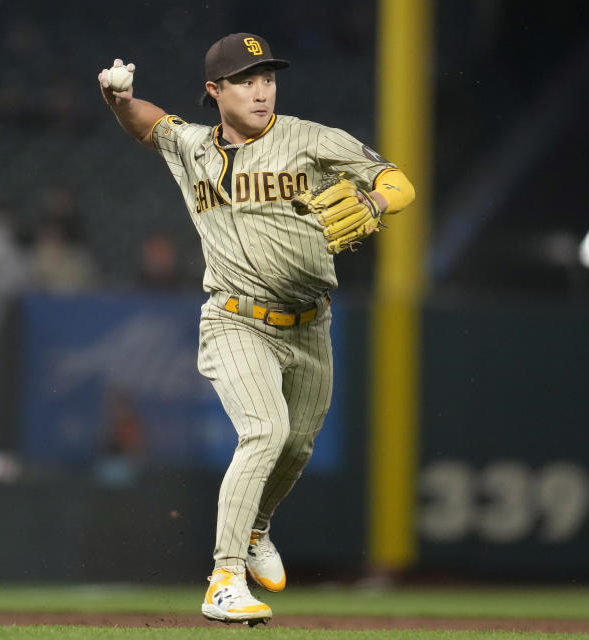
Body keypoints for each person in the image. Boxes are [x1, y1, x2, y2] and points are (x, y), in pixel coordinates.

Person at [98, 33, 415, 626]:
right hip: (234, 318)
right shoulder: (192, 147)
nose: (262, 89)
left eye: (268, 77)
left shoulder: (312, 139)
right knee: (266, 431)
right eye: (246, 80)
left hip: (310, 323)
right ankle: (223, 578)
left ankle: (254, 529)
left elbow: (400, 182)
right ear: (215, 91)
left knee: (296, 446)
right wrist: (119, 101)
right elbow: (151, 125)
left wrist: (374, 202)